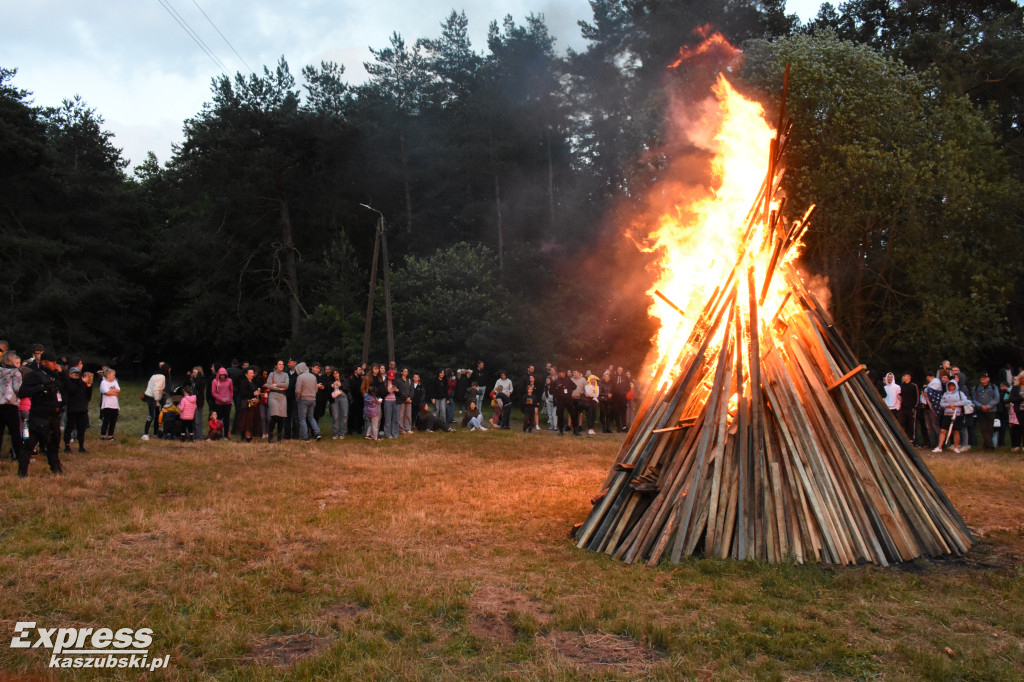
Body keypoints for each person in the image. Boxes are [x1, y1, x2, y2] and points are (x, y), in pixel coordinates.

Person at [17, 351, 70, 477]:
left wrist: (62, 374)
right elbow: (22, 392)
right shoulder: (34, 376)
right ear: (44, 362)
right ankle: (22, 472)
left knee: (54, 443)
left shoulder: (56, 375)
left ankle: (56, 468)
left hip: (54, 415)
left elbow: (69, 388)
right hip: (39, 415)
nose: (55, 365)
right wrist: (41, 388)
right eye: (52, 362)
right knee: (30, 443)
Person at [63, 366, 93, 453]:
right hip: (72, 408)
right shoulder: (69, 382)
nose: (76, 376)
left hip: (82, 408)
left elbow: (88, 396)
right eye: (74, 374)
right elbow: (73, 390)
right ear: (70, 374)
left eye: (78, 374)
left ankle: (81, 446)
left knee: (82, 428)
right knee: (69, 427)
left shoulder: (82, 383)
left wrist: (89, 386)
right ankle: (67, 446)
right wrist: (82, 383)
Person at [0, 350, 23, 461]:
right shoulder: (15, 372)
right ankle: (18, 456)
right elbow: (18, 388)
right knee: (15, 432)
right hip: (10, 404)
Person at [935, 379, 969, 453]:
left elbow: (965, 401)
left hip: (957, 414)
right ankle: (939, 447)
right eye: (949, 385)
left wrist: (955, 405)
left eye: (952, 385)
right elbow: (941, 403)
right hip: (947, 414)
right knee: (943, 430)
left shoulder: (960, 393)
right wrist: (948, 405)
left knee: (956, 431)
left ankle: (956, 447)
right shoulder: (945, 394)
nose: (951, 387)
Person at [972, 372, 999, 451]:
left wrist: (988, 406)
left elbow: (996, 398)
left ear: (988, 379)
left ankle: (986, 445)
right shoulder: (976, 387)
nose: (983, 379)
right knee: (983, 428)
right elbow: (973, 399)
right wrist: (981, 406)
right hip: (980, 410)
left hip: (991, 410)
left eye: (984, 377)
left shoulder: (994, 387)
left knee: (990, 428)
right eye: (981, 377)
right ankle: (990, 445)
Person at [142, 362, 169, 441]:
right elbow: (156, 389)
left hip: (149, 395)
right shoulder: (162, 377)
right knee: (151, 416)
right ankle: (145, 434)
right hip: (152, 397)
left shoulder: (154, 375)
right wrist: (157, 401)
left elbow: (151, 386)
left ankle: (150, 433)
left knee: (153, 415)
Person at [294, 362, 321, 442]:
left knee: (302, 418)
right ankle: (317, 433)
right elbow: (316, 389)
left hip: (303, 399)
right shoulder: (313, 377)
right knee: (311, 417)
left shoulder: (300, 377)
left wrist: (298, 398)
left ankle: (305, 437)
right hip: (312, 399)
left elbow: (298, 390)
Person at [266, 360, 289, 443]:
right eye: (279, 364)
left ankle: (279, 436)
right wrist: (278, 388)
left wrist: (276, 384)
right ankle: (270, 435)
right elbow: (268, 385)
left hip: (282, 397)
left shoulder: (285, 374)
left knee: (281, 417)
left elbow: (286, 385)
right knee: (274, 415)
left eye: (282, 364)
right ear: (276, 366)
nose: (281, 366)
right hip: (274, 396)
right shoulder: (271, 374)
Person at [236, 367, 261, 442]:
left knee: (251, 421)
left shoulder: (253, 383)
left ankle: (249, 436)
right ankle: (247, 437)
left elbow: (255, 393)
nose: (252, 374)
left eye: (253, 373)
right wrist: (253, 394)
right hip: (247, 405)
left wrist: (257, 395)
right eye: (250, 373)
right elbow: (243, 393)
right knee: (247, 422)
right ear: (246, 375)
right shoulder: (244, 382)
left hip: (253, 405)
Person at [551, 368, 577, 436]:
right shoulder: (555, 381)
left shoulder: (568, 380)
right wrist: (556, 390)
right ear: (558, 373)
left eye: (562, 372)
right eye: (560, 372)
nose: (561, 374)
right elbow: (551, 391)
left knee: (573, 414)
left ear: (564, 373)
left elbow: (574, 386)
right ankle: (561, 430)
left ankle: (575, 430)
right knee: (560, 415)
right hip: (560, 400)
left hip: (568, 399)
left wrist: (569, 390)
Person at [210, 368, 234, 440]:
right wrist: (220, 398)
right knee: (219, 419)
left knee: (226, 419)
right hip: (219, 403)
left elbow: (231, 390)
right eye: (221, 375)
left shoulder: (229, 380)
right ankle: (219, 435)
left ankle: (226, 435)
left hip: (228, 402)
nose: (222, 376)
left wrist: (229, 398)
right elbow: (213, 392)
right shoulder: (215, 381)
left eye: (224, 375)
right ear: (218, 375)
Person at [897, 372, 919, 444]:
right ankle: (903, 438)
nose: (904, 377)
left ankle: (913, 439)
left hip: (911, 408)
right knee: (901, 422)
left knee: (911, 424)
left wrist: (915, 407)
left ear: (909, 377)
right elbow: (900, 395)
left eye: (905, 376)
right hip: (903, 408)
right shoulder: (902, 386)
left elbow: (917, 397)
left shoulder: (913, 386)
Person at [1006, 373, 1024, 451]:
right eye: (1022, 378)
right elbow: (1011, 399)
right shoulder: (1016, 388)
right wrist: (1021, 398)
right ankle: (1016, 445)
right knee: (1016, 428)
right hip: (1017, 411)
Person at [329, 369, 348, 439]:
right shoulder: (331, 381)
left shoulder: (344, 380)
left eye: (337, 373)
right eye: (334, 373)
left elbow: (347, 389)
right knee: (335, 416)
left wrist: (341, 385)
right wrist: (332, 387)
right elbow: (328, 390)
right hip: (334, 399)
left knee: (344, 415)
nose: (335, 375)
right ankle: (336, 433)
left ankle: (342, 433)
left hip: (343, 398)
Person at [189, 367, 206, 440]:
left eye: (195, 372)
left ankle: (198, 436)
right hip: (191, 403)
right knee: (192, 420)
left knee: (197, 420)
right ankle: (192, 435)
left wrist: (198, 377)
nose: (194, 374)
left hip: (198, 403)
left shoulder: (201, 381)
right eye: (193, 372)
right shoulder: (192, 382)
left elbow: (199, 388)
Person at [382, 369, 400, 439]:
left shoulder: (395, 382)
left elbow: (399, 392)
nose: (391, 378)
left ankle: (395, 433)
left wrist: (396, 390)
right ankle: (387, 433)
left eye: (392, 377)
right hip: (387, 401)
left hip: (395, 401)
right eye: (390, 377)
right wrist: (389, 391)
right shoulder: (384, 383)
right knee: (388, 418)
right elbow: (382, 393)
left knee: (395, 418)